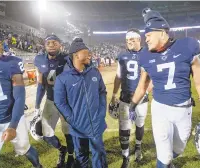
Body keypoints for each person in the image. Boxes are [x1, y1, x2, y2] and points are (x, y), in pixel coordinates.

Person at [129, 9, 200, 168]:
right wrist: (132, 106)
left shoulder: (187, 46)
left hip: (183, 109)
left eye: (148, 35)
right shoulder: (145, 56)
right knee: (165, 156)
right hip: (160, 109)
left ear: (161, 32)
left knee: (179, 149)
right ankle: (165, 162)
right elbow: (142, 85)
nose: (145, 39)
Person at [0, 29, 42, 168]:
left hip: (12, 117)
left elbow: (20, 96)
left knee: (24, 148)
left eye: (0, 43)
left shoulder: (11, 63)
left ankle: (39, 166)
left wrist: (13, 125)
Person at [54, 38, 108, 168]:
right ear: (76, 55)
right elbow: (59, 102)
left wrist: (101, 112)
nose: (90, 55)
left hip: (96, 123)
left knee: (99, 154)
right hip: (77, 126)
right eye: (86, 52)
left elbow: (102, 92)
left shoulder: (94, 72)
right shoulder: (63, 78)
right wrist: (71, 119)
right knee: (81, 156)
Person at [109, 28, 150, 168]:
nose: (129, 42)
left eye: (132, 39)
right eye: (127, 40)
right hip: (125, 98)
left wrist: (147, 89)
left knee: (139, 124)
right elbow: (119, 76)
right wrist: (114, 94)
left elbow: (153, 76)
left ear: (139, 39)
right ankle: (125, 156)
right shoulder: (122, 56)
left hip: (142, 99)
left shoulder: (147, 53)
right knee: (124, 128)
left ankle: (138, 146)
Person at [32, 35, 74, 168]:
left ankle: (72, 157)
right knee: (47, 134)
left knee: (68, 131)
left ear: (60, 44)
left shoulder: (68, 58)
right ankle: (62, 150)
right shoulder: (39, 60)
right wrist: (37, 106)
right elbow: (40, 84)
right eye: (48, 43)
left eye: (54, 42)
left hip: (66, 102)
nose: (51, 45)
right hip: (50, 101)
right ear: (44, 45)